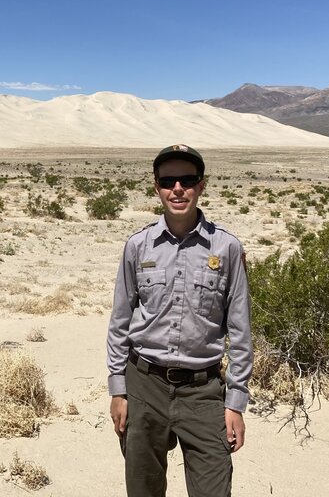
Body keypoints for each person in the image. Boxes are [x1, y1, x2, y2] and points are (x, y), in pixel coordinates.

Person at [106, 144, 253, 497]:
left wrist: (235, 402)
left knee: (214, 489)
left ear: (201, 186)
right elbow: (120, 321)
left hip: (203, 392)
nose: (177, 189)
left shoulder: (226, 248)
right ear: (156, 187)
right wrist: (118, 389)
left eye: (187, 180)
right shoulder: (138, 246)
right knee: (143, 489)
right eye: (168, 180)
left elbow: (240, 331)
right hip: (144, 385)